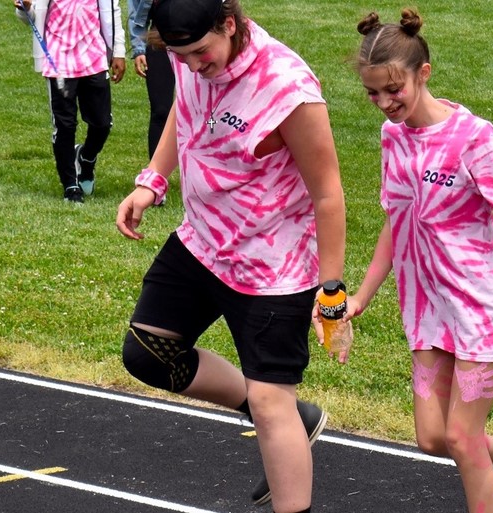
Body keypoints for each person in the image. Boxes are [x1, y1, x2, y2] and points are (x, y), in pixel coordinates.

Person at [112, 0, 347, 511]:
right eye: (182, 56)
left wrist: (331, 293)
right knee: (146, 353)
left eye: (201, 52)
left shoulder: (288, 88)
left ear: (230, 23)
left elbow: (328, 194)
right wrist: (153, 180)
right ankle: (292, 416)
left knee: (270, 404)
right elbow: (187, 106)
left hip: (273, 266)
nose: (195, 66)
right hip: (202, 243)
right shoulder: (188, 54)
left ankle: (281, 420)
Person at [342, 9, 493, 513]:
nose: (385, 103)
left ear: (423, 75)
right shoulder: (393, 138)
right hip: (427, 307)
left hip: (478, 304)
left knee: (461, 438)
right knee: (433, 437)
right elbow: (396, 221)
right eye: (373, 93)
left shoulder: (474, 139)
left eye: (394, 89)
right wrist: (360, 299)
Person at [13, 0, 126, 203]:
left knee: (102, 124)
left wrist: (118, 51)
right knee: (65, 125)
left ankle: (86, 157)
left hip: (94, 57)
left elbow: (112, 10)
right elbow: (31, 17)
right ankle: (70, 185)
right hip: (58, 60)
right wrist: (25, 8)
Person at [127, 0, 176, 163]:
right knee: (161, 111)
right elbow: (136, 10)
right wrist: (139, 48)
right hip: (159, 41)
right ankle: (155, 174)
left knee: (200, 111)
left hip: (197, 41)